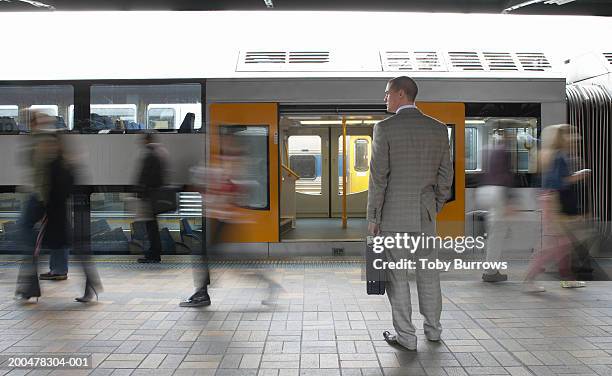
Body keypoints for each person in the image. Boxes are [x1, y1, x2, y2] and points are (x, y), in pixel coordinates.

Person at [367, 76, 453, 351]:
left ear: (401, 94)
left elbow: (378, 178)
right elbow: (445, 177)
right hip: (425, 216)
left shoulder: (384, 129)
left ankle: (406, 336)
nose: (385, 99)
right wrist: (434, 206)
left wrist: (373, 218)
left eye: (387, 94)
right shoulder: (439, 129)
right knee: (428, 274)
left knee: (397, 275)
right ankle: (434, 330)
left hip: (393, 217)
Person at [523, 124, 589, 292]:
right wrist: (578, 176)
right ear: (560, 138)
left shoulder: (551, 155)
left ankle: (567, 277)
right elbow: (558, 183)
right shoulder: (559, 156)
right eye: (569, 134)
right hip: (553, 202)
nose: (574, 137)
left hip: (550, 201)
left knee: (562, 243)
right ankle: (529, 279)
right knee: (552, 244)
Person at [14, 111, 60, 302]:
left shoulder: (44, 140)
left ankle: (29, 286)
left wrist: (43, 200)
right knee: (26, 237)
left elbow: (43, 174)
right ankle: (29, 286)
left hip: (39, 198)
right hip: (37, 197)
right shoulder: (38, 139)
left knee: (26, 235)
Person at [477, 129, 515, 282]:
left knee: (495, 232)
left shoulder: (490, 150)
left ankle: (491, 269)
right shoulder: (505, 151)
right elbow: (505, 176)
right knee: (497, 235)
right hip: (498, 192)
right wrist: (509, 200)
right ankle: (490, 272)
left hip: (486, 191)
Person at [135, 132, 168, 263]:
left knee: (151, 226)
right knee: (152, 226)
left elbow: (144, 176)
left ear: (147, 140)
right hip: (155, 195)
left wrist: (140, 192)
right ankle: (155, 252)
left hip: (149, 196)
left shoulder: (150, 154)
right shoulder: (160, 153)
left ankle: (154, 253)